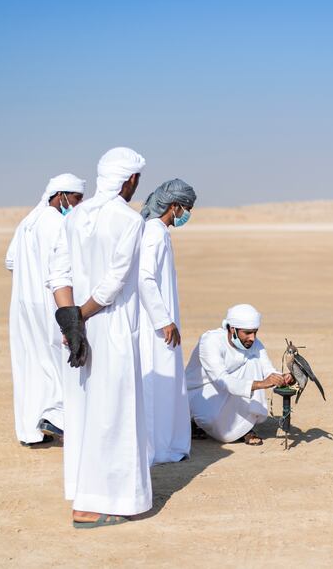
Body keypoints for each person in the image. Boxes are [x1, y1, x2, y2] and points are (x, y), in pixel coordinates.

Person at [46, 147, 151, 528]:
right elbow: (113, 284)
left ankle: (82, 491)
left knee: (85, 410)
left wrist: (69, 322)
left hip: (77, 332)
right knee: (114, 413)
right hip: (111, 326)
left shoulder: (75, 216)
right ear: (131, 180)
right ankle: (97, 503)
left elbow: (58, 274)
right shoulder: (129, 220)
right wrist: (80, 318)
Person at [5, 173, 85, 446]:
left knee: (29, 364)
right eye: (76, 198)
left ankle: (30, 431)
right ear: (61, 195)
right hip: (48, 301)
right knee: (59, 360)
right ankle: (58, 418)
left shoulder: (28, 221)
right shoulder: (56, 222)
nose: (77, 204)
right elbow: (61, 269)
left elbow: (10, 262)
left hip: (22, 304)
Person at [138, 179, 197, 464]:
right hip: (156, 327)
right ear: (173, 206)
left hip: (163, 321)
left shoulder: (160, 232)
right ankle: (156, 450)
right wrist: (164, 320)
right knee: (157, 384)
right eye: (186, 208)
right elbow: (144, 278)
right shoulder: (153, 233)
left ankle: (168, 447)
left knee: (168, 384)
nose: (187, 214)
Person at [185, 304, 291, 446]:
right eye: (247, 333)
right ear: (232, 329)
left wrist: (282, 378)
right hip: (201, 393)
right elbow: (221, 380)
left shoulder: (254, 343)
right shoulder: (210, 341)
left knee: (253, 361)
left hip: (230, 391)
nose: (252, 338)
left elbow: (268, 369)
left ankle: (246, 428)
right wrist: (261, 383)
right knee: (215, 425)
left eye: (255, 332)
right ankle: (193, 421)